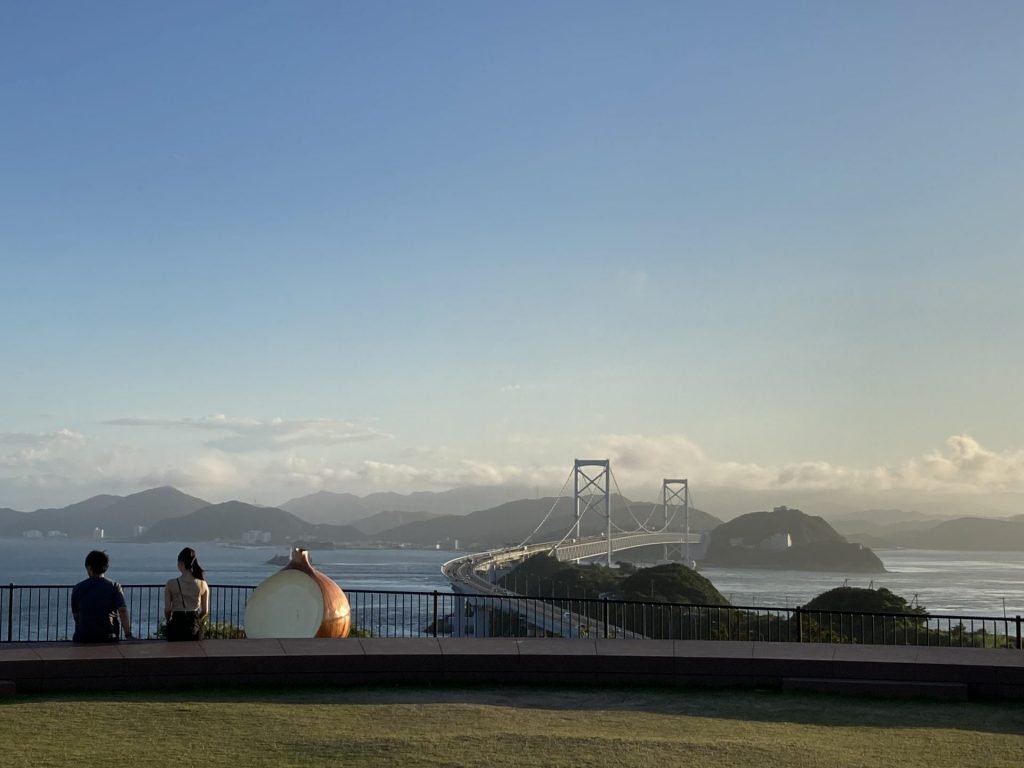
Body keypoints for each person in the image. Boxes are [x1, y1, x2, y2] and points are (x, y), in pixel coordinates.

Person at [71, 550, 133, 643]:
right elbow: (122, 611)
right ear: (106, 567)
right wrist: (128, 635)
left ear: (89, 567)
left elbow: (76, 616)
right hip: (108, 636)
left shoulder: (78, 588)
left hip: (83, 637)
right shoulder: (115, 586)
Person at [164, 547, 209, 641]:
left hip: (176, 625)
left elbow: (168, 609)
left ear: (181, 564)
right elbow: (205, 611)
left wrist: (168, 621)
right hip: (193, 626)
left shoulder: (171, 584)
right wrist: (196, 619)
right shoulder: (203, 584)